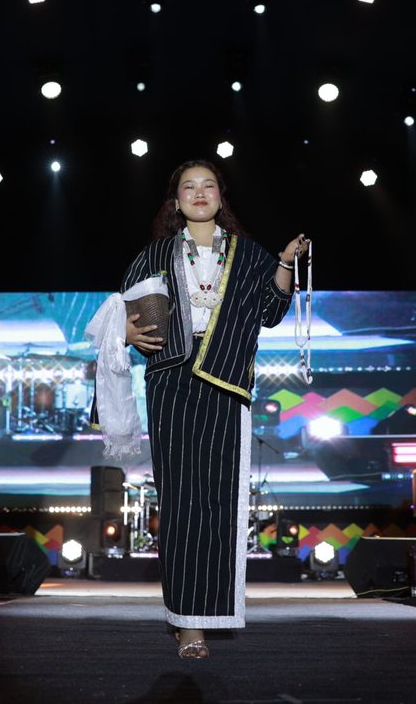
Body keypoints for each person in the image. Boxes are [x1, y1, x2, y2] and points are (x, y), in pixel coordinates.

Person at [121, 158, 307, 659]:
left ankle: (213, 612)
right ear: (176, 200)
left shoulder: (247, 254)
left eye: (208, 185)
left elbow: (270, 312)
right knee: (181, 502)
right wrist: (126, 331)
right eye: (189, 186)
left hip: (226, 380)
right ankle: (187, 625)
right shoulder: (155, 254)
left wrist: (285, 262)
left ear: (221, 196)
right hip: (172, 381)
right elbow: (124, 312)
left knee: (221, 503)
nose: (199, 193)